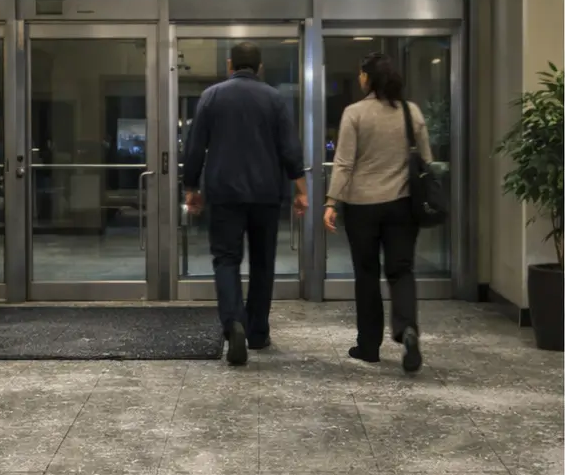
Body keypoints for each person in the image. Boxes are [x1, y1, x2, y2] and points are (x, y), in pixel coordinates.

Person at [182, 42, 308, 367]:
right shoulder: (275, 98)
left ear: (230, 65)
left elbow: (195, 146)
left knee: (226, 259)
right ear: (260, 67)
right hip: (266, 194)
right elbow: (290, 149)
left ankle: (233, 323)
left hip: (224, 193)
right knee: (263, 263)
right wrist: (301, 189)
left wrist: (191, 186)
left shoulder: (212, 96)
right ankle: (257, 331)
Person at [323, 52, 429, 374]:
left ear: (368, 78)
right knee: (401, 271)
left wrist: (331, 202)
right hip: (402, 205)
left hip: (362, 208)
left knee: (366, 275)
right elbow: (425, 159)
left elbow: (344, 162)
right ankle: (407, 330)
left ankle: (368, 347)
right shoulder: (412, 113)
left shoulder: (355, 113)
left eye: (360, 74)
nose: (358, 79)